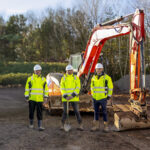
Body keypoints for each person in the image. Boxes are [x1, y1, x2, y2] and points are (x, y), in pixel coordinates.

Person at [24, 64, 48, 131]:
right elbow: (27, 88)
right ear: (34, 71)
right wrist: (27, 97)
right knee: (31, 112)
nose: (37, 72)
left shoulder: (43, 79)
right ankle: (31, 124)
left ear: (40, 71)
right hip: (32, 99)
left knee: (39, 113)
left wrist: (45, 97)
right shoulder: (30, 79)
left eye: (39, 70)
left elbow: (46, 89)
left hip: (40, 99)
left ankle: (40, 126)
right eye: (36, 70)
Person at [90, 63, 113, 132]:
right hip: (95, 98)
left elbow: (110, 87)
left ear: (102, 69)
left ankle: (106, 127)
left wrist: (109, 95)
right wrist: (92, 95)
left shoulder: (107, 77)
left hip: (103, 98)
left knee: (104, 112)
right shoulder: (93, 78)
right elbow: (92, 87)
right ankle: (96, 126)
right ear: (96, 69)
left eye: (100, 69)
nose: (98, 70)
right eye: (97, 69)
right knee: (95, 112)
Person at [60, 64, 83, 131]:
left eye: (70, 70)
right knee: (65, 112)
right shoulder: (63, 78)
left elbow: (78, 87)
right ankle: (62, 125)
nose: (69, 71)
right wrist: (65, 96)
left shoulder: (76, 78)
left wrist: (72, 95)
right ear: (66, 71)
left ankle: (80, 125)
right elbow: (62, 87)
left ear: (72, 70)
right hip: (65, 98)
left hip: (74, 98)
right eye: (68, 70)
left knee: (76, 111)